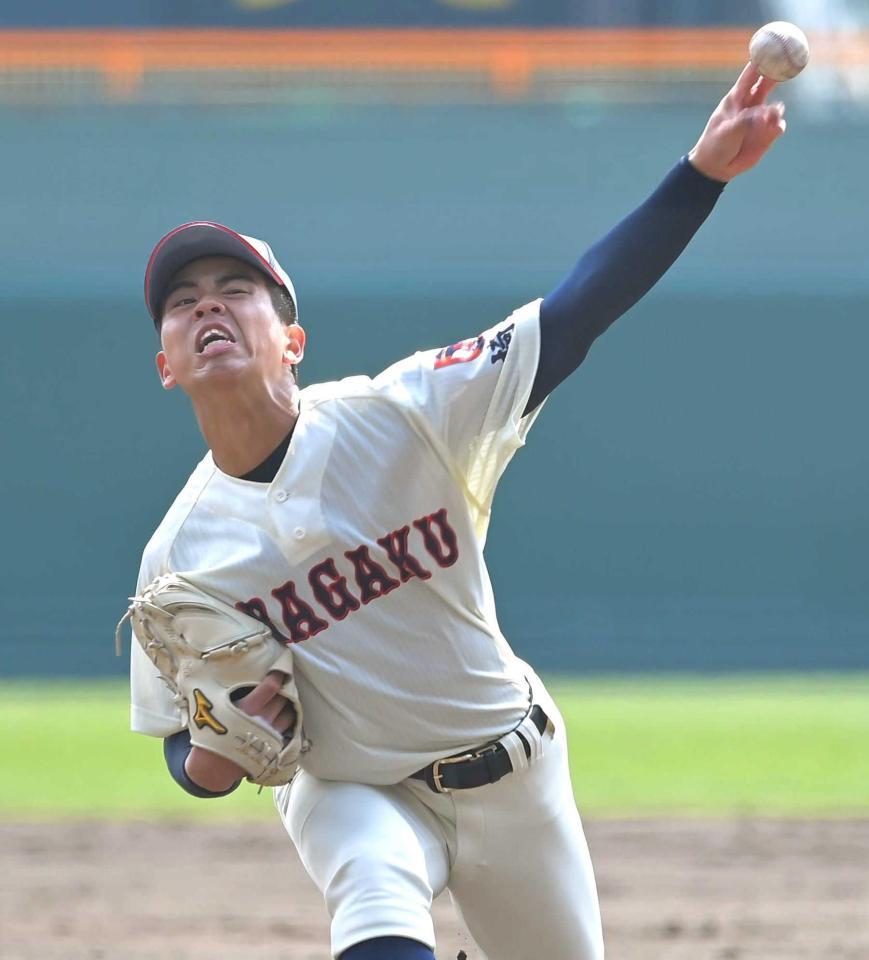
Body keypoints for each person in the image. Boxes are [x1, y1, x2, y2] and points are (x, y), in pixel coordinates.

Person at [127, 63, 786, 960]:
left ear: (292, 341)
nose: (206, 303)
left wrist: (698, 178)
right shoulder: (179, 556)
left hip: (511, 765)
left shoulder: (402, 415)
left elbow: (575, 313)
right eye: (181, 300)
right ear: (164, 363)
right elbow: (179, 736)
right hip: (352, 785)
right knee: (370, 878)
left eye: (236, 291)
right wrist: (206, 766)